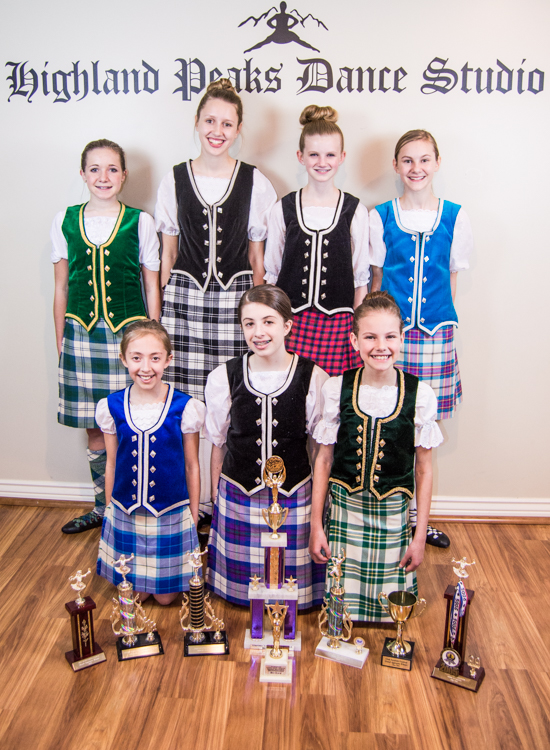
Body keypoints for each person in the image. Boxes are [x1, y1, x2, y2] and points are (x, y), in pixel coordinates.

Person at [309, 292, 443, 622]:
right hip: (344, 513)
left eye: (389, 336)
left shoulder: (420, 396)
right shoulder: (336, 388)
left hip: (392, 519)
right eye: (370, 336)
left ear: (401, 338)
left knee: (390, 615)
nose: (380, 346)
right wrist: (316, 525)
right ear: (354, 340)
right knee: (341, 613)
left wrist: (420, 535)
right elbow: (324, 460)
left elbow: (424, 471)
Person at [369, 129, 473, 548]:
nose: (416, 168)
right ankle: (389, 512)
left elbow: (448, 276)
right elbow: (376, 281)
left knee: (422, 431)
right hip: (390, 339)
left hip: (434, 335)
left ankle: (418, 519)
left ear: (437, 162)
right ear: (396, 166)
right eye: (408, 160)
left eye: (424, 159)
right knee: (389, 422)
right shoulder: (381, 215)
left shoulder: (455, 215)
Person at [51, 139, 161, 534]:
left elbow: (152, 288)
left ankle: (132, 506)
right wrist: (62, 341)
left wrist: (152, 342)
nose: (103, 177)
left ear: (124, 175)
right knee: (94, 426)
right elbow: (62, 288)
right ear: (83, 174)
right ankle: (102, 507)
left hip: (128, 339)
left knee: (131, 421)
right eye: (94, 169)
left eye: (112, 169)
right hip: (81, 335)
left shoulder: (140, 222)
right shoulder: (65, 220)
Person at [204, 285, 328, 609]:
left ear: (287, 325)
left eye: (268, 322)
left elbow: (318, 449)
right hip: (238, 494)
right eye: (249, 323)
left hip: (294, 495)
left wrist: (319, 506)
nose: (258, 332)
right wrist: (216, 498)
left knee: (291, 592)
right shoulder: (224, 376)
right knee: (241, 598)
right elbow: (218, 443)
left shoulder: (313, 377)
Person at [155, 78, 277, 402]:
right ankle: (191, 457)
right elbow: (168, 252)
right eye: (210, 121)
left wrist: (257, 307)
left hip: (235, 299)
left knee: (233, 398)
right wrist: (166, 303)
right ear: (197, 122)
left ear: (237, 130)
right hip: (184, 300)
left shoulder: (255, 182)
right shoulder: (175, 178)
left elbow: (256, 257)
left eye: (227, 124)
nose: (217, 131)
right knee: (183, 402)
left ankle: (224, 457)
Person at [96, 320, 204, 605]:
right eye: (136, 358)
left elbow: (192, 466)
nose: (146, 367)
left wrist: (192, 515)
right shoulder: (112, 406)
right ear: (123, 359)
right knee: (135, 596)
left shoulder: (185, 407)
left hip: (170, 512)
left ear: (169, 359)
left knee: (166, 599)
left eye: (155, 358)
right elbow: (110, 464)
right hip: (126, 512)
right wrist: (109, 510)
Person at [264, 105, 370, 377]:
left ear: (342, 157)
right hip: (292, 323)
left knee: (332, 398)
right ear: (300, 157)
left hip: (339, 324)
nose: (322, 162)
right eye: (314, 154)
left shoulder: (354, 211)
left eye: (330, 154)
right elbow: (273, 275)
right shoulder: (283, 209)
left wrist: (357, 328)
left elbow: (360, 280)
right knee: (293, 394)